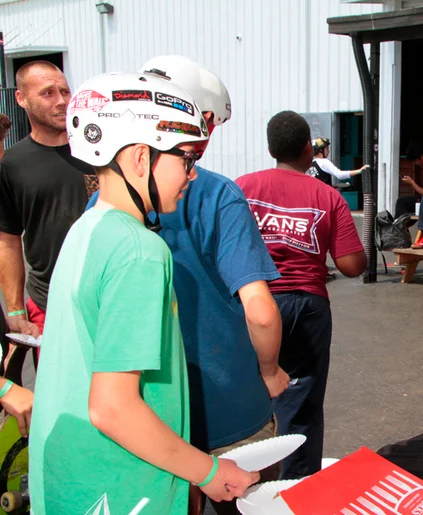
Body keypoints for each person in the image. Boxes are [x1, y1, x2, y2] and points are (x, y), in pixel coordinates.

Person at [29, 72, 258, 514]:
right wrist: (208, 472)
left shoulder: (86, 229)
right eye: (185, 159)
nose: (191, 176)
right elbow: (113, 408)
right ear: (139, 158)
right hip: (122, 487)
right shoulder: (141, 252)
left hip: (70, 476)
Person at [87, 55, 288, 515]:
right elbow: (260, 309)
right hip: (229, 406)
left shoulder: (99, 212)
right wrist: (271, 371)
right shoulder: (219, 195)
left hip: (151, 422)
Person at [236, 111, 366, 479]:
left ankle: (249, 483)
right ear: (309, 148)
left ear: (270, 148)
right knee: (302, 402)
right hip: (308, 306)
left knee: (250, 395)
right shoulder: (326, 196)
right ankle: (297, 489)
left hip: (253, 301)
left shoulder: (242, 188)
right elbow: (351, 266)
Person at [0, 61, 96, 337]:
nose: (62, 101)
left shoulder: (97, 153)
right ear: (21, 98)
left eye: (65, 92)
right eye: (48, 93)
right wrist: (16, 309)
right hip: (48, 305)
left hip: (106, 296)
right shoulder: (12, 164)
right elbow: (7, 240)